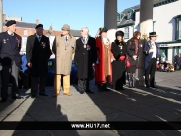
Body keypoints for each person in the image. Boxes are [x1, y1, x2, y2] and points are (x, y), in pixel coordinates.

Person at [26, 24, 52, 98]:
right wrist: (29, 61)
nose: (41, 30)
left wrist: (45, 57)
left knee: (43, 77)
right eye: (39, 29)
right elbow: (28, 51)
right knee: (34, 77)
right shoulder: (30, 38)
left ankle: (42, 91)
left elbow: (48, 51)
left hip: (43, 62)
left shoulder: (46, 39)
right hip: (33, 62)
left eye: (42, 29)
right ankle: (34, 92)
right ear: (36, 30)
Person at [0, 20, 22, 103]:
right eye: (13, 26)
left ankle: (15, 94)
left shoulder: (18, 37)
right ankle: (4, 96)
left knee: (15, 78)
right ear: (8, 26)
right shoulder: (2, 36)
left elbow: (18, 49)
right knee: (5, 78)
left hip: (15, 60)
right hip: (5, 60)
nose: (15, 27)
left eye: (15, 26)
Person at [52, 24, 76, 96]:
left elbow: (73, 49)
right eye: (62, 29)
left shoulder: (73, 39)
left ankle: (66, 90)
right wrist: (59, 54)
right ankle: (56, 91)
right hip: (59, 58)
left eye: (64, 30)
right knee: (58, 74)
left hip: (67, 59)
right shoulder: (57, 37)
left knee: (66, 74)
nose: (62, 31)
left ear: (68, 31)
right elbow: (54, 48)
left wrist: (70, 55)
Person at [74, 27, 97, 94]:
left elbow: (94, 51)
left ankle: (87, 88)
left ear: (86, 32)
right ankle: (81, 88)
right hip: (80, 60)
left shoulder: (92, 40)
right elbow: (76, 51)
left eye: (82, 30)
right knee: (81, 74)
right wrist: (75, 60)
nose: (80, 32)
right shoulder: (78, 41)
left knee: (87, 74)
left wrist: (94, 60)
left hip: (89, 60)